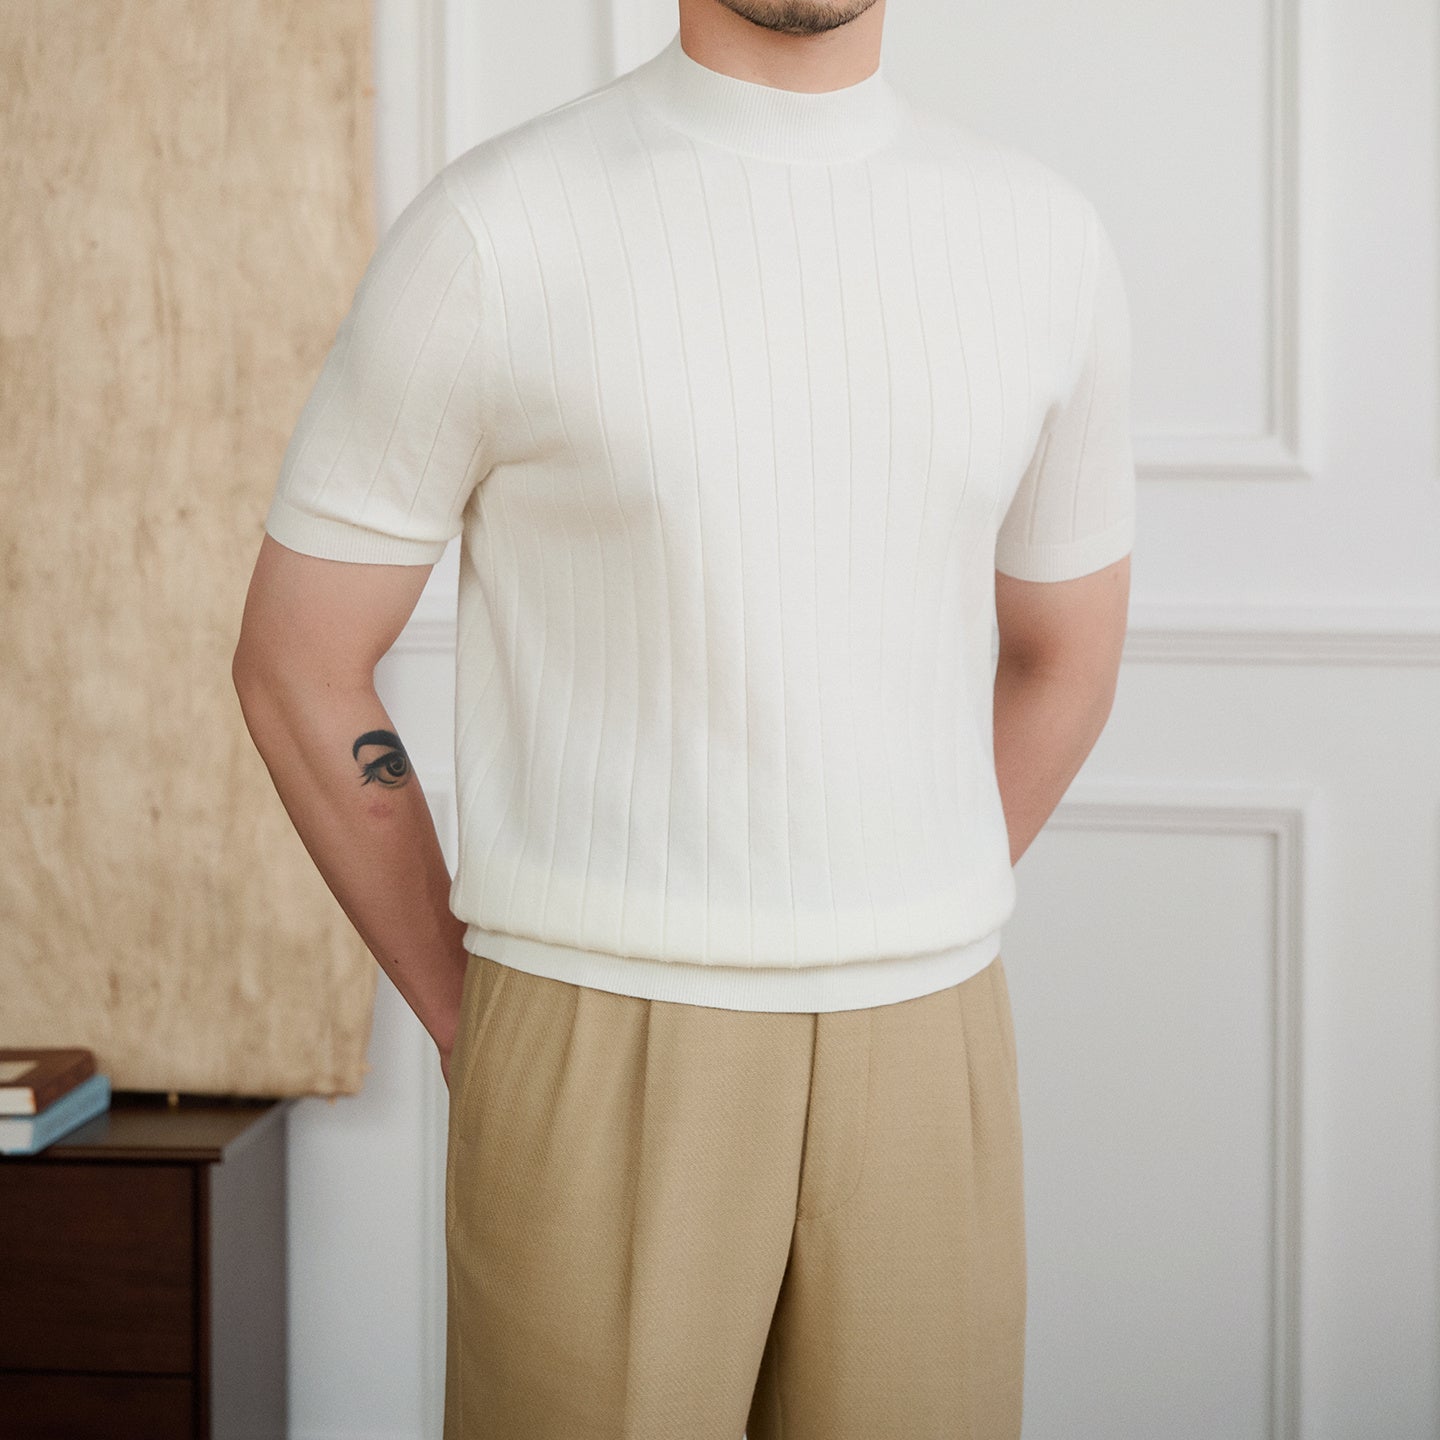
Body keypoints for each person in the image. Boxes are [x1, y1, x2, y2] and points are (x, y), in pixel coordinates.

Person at [232, 0, 1136, 1433]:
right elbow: (298, 659)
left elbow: (1066, 654)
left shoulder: (1045, 243)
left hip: (930, 1035)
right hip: (594, 1030)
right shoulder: (494, 233)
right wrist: (474, 1016)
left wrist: (902, 890)